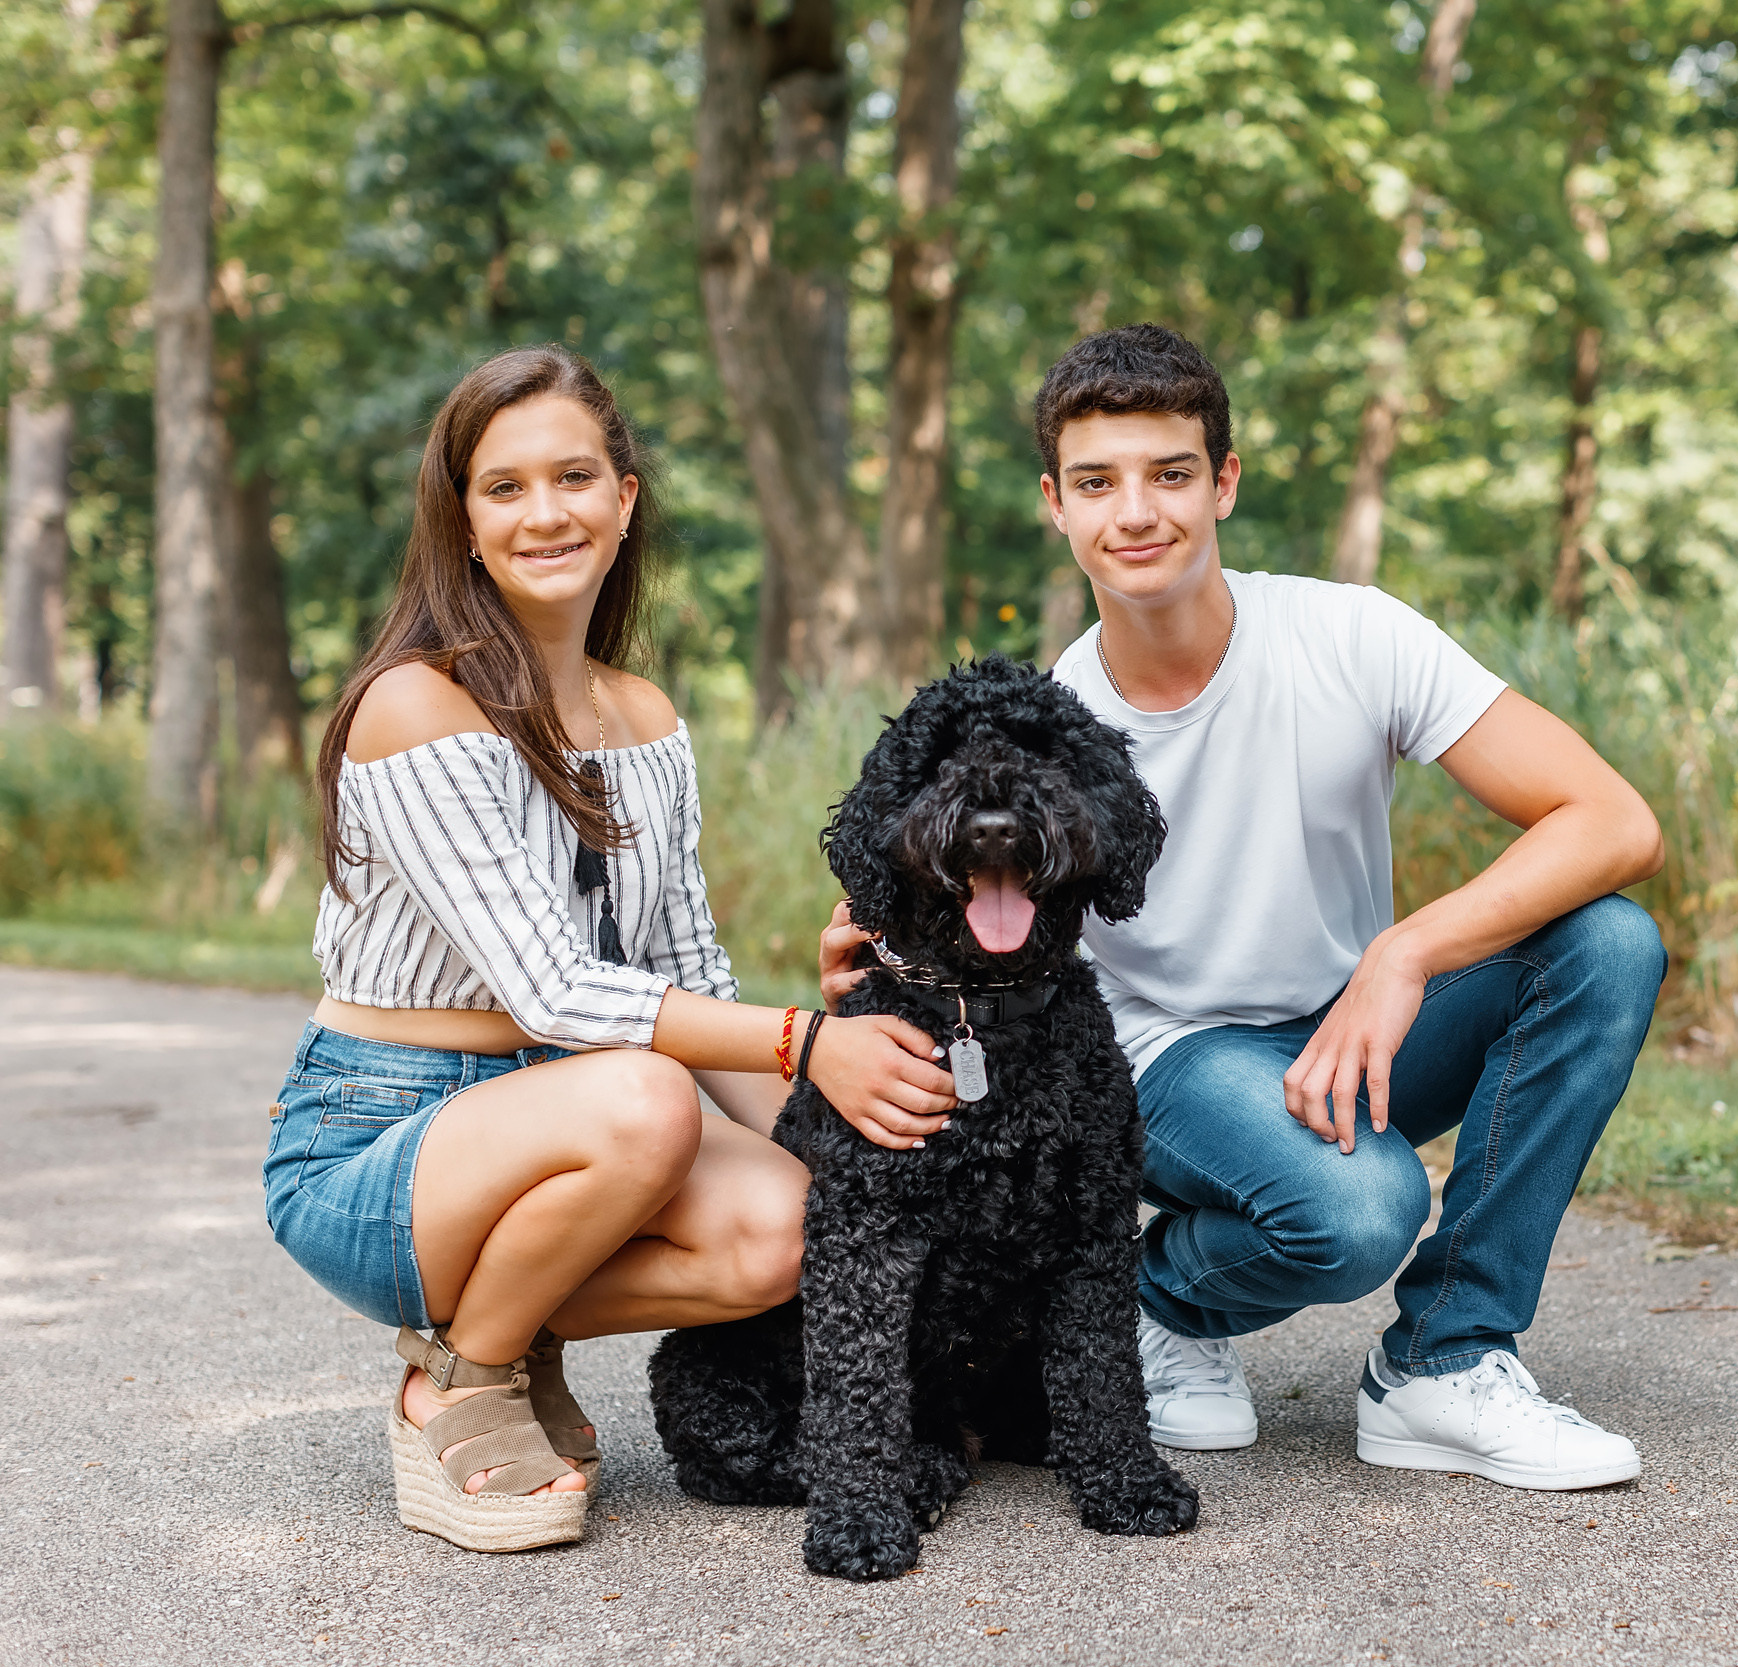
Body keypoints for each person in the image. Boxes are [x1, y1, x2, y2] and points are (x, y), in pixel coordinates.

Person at [823, 324, 1667, 1490]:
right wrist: (872, 956)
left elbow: (1615, 822)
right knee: (1358, 1211)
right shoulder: (1046, 721)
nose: (1135, 513)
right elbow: (916, 884)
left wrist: (1405, 953)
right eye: (1096, 483)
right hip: (1162, 1059)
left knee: (1609, 944)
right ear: (1054, 506)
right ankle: (1148, 1302)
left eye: (1169, 474)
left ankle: (1445, 1355)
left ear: (1222, 482)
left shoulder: (1352, 634)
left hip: (1351, 1027)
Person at [267, 345, 957, 1553]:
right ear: (463, 521)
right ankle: (464, 1380)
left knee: (794, 1225)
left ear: (624, 499)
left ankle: (501, 1317)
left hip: (575, 1120)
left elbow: (689, 975)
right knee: (645, 1098)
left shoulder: (644, 719)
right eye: (505, 487)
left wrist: (841, 1123)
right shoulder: (413, 704)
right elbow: (554, 990)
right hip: (380, 1142)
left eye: (574, 477)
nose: (546, 513)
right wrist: (809, 1042)